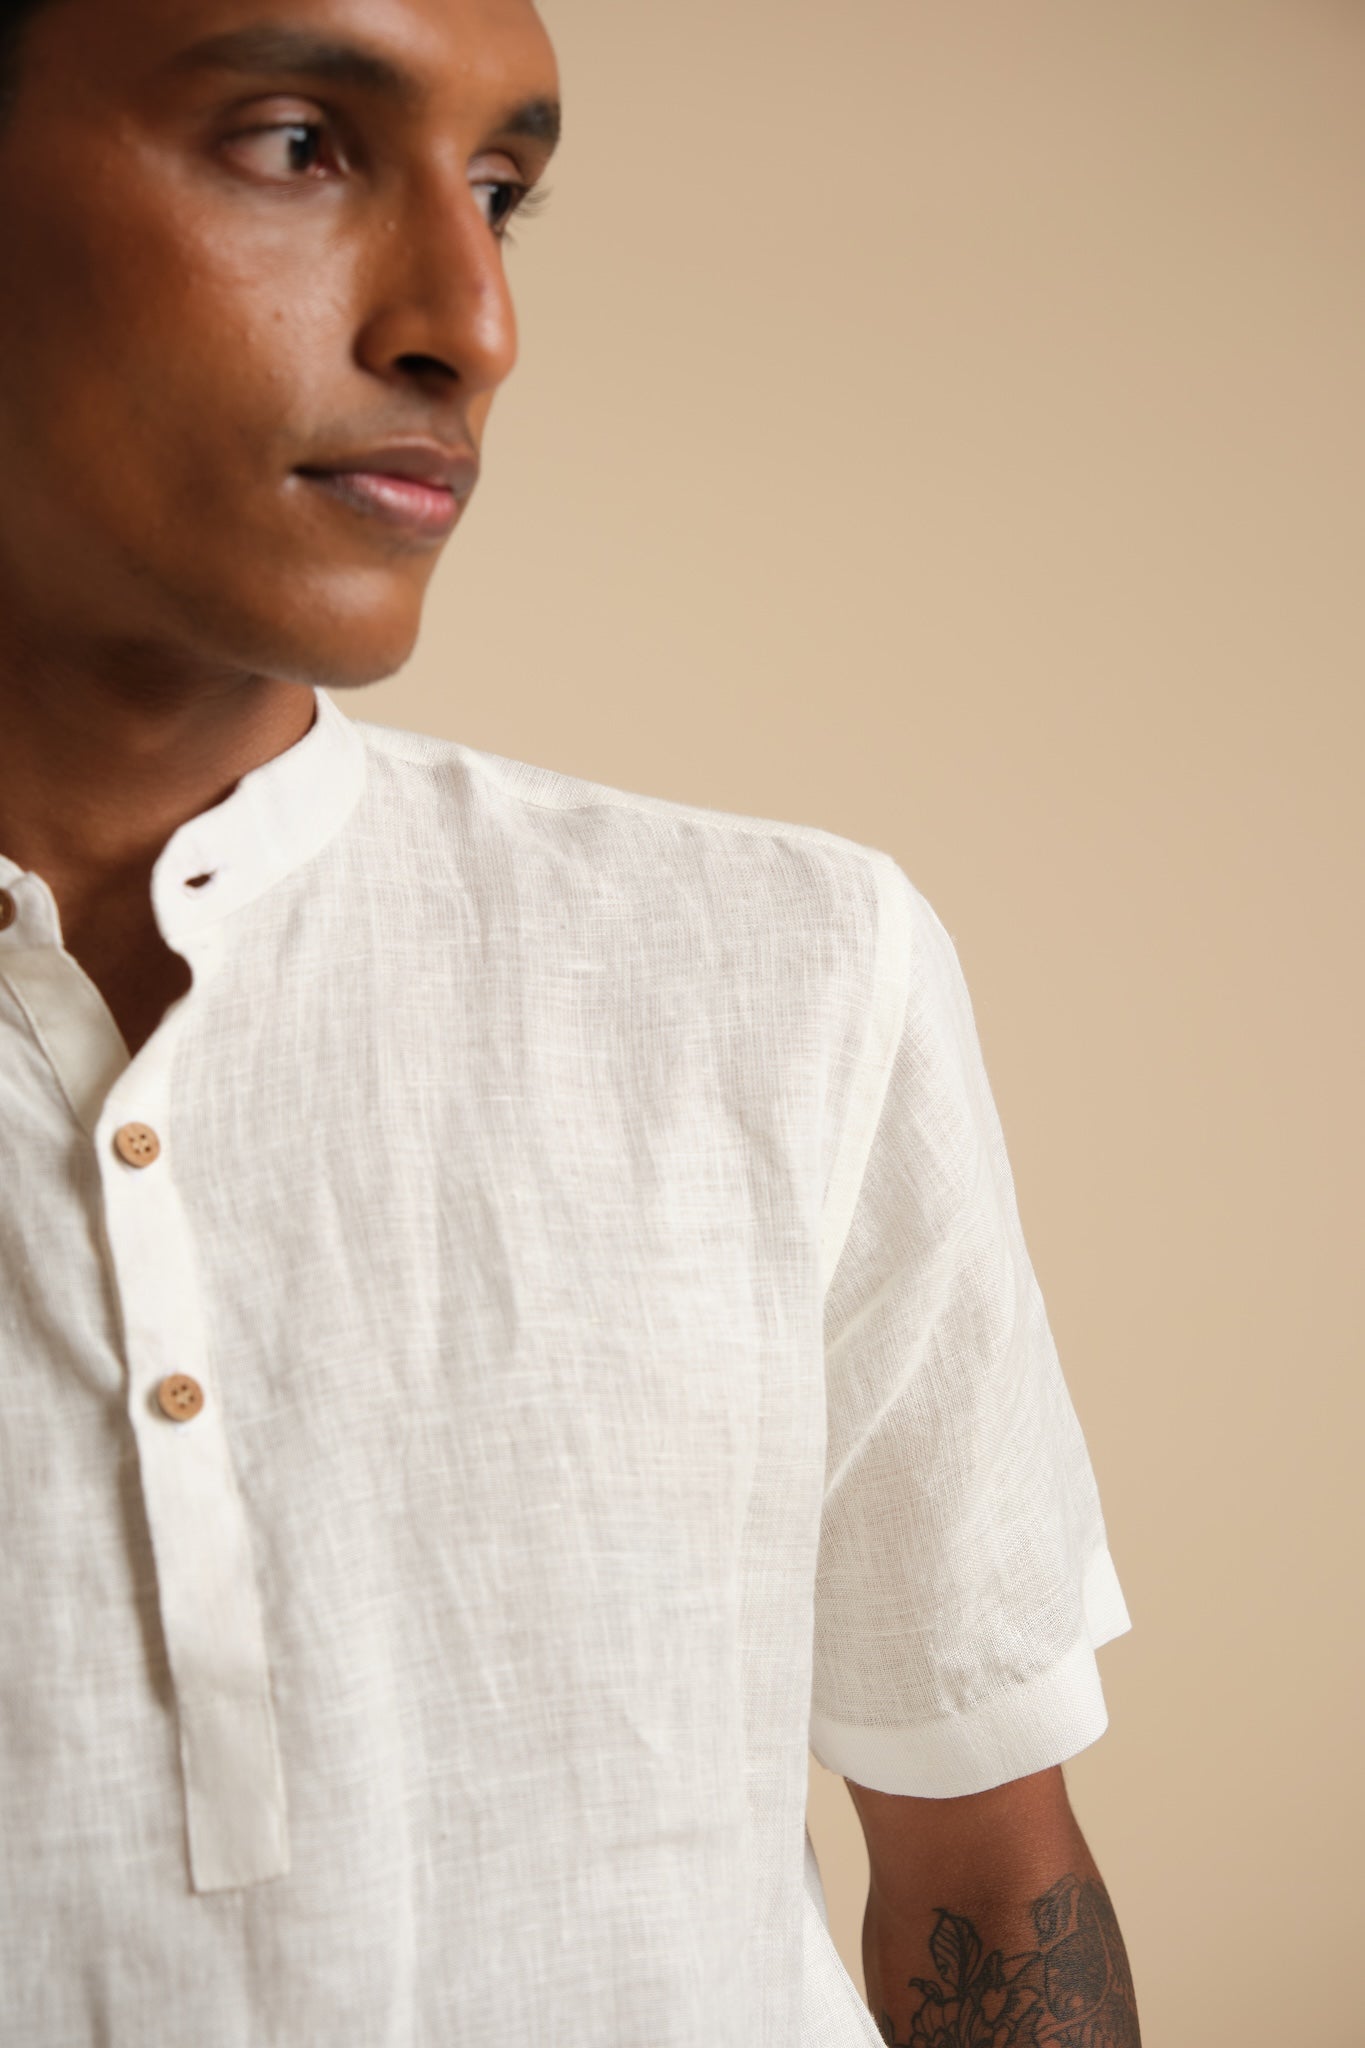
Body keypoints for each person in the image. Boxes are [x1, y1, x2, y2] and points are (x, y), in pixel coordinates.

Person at [0, 2, 1141, 2043]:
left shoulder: (788, 973)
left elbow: (983, 1866)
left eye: (505, 191)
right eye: (293, 143)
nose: (474, 320)